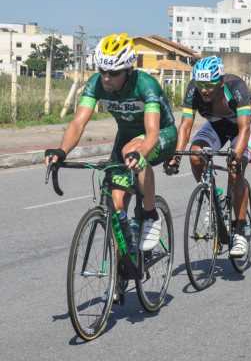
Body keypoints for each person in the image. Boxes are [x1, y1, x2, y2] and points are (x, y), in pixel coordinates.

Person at [45, 33, 177, 252]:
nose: (106, 78)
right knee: (116, 207)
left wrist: (140, 154)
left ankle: (151, 215)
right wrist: (62, 151)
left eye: (114, 73)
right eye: (102, 70)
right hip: (126, 137)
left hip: (162, 134)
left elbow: (152, 134)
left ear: (129, 70)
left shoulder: (145, 84)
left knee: (132, 149)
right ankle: (123, 264)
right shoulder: (96, 83)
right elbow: (78, 122)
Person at [166, 56, 251, 258]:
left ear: (221, 82)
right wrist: (176, 157)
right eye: (200, 84)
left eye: (209, 85)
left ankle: (240, 230)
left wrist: (236, 157)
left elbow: (245, 128)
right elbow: (185, 125)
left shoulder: (236, 86)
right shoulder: (193, 89)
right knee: (196, 156)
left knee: (235, 170)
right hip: (215, 126)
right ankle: (214, 197)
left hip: (241, 128)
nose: (204, 90)